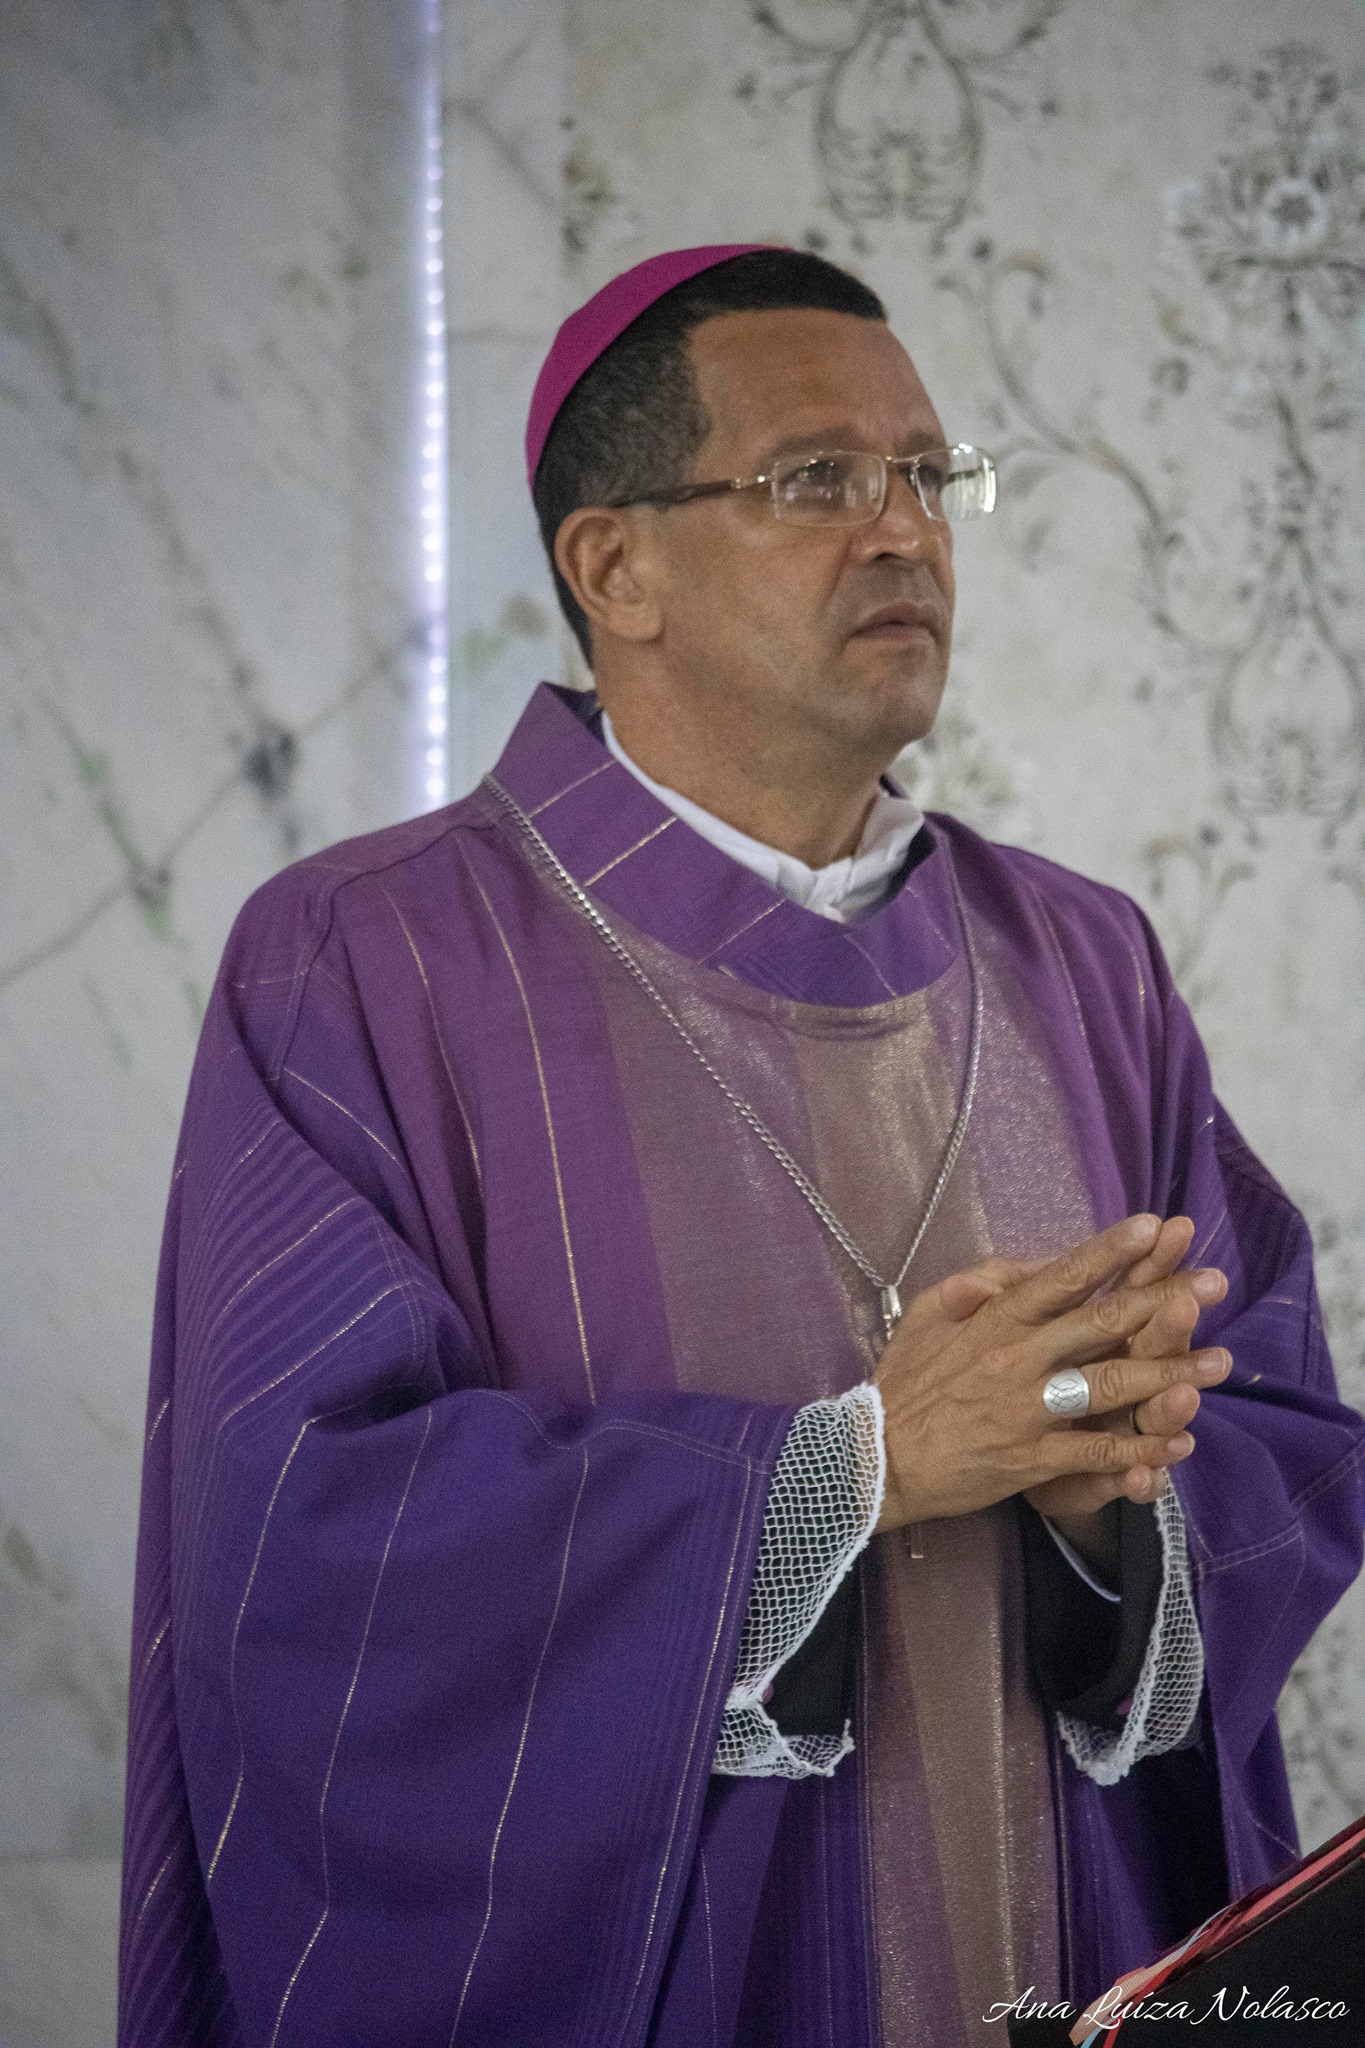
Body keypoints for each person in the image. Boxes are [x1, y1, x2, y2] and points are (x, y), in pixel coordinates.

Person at [118, 246, 1364, 2048]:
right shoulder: (358, 959)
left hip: (1068, 1936)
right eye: (814, 478)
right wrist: (849, 1473)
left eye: (925, 473)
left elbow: (1276, 1420)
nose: (902, 530)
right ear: (612, 567)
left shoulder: (1081, 958)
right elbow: (305, 1547)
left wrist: (1109, 1508)